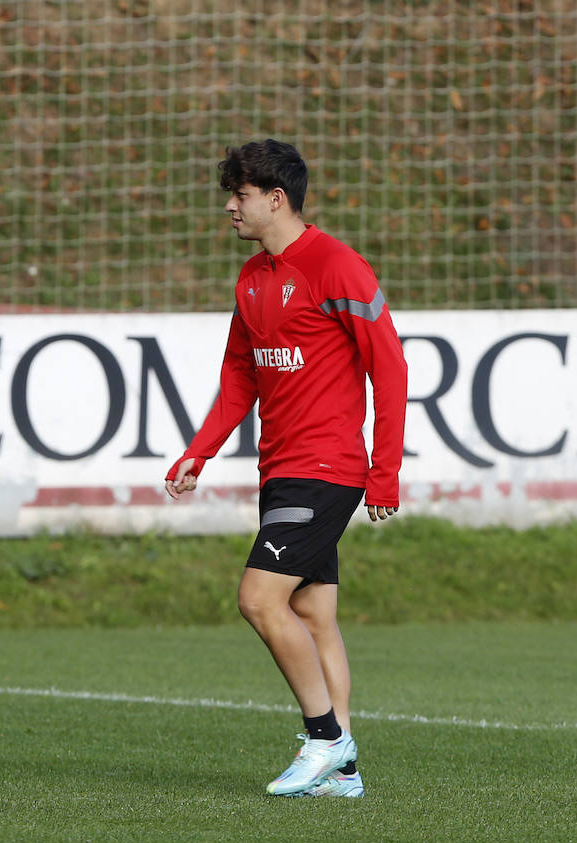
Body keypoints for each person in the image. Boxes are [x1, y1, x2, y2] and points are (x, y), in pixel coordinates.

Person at [164, 140, 407, 798]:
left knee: (258, 598)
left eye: (239, 195)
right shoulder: (250, 279)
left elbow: (390, 367)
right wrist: (199, 451)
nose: (229, 206)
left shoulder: (338, 267)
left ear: (277, 198)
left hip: (326, 468)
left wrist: (384, 473)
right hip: (282, 467)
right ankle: (345, 773)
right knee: (313, 611)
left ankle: (325, 737)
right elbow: (239, 377)